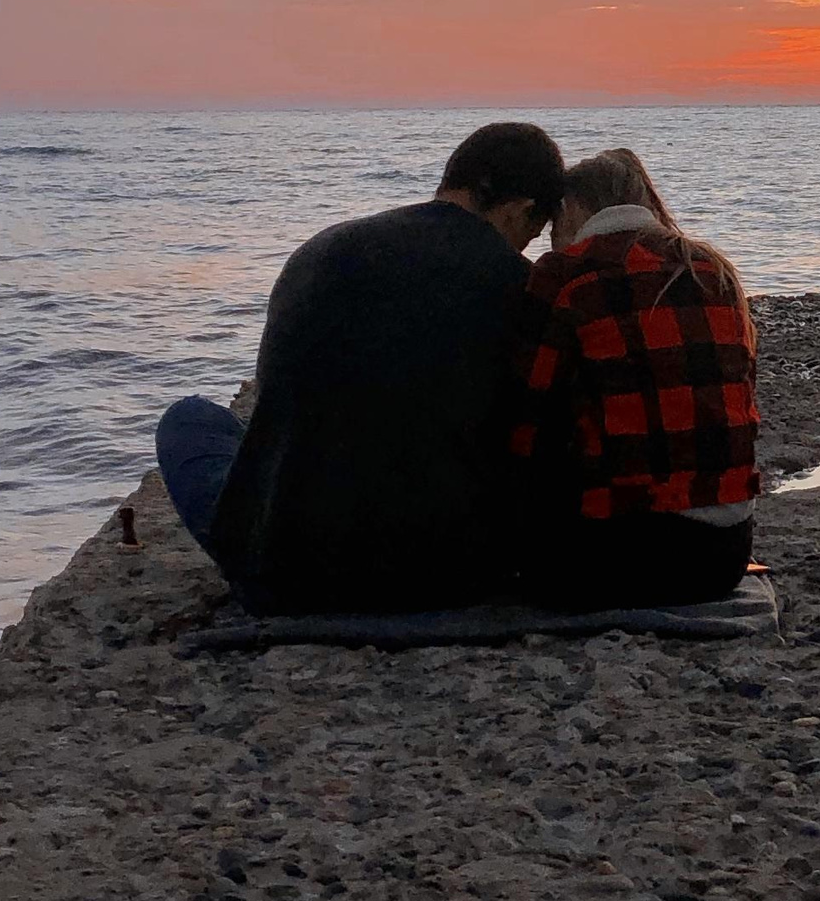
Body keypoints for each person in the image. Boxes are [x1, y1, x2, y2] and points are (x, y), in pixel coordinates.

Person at [153, 120, 566, 616]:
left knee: (190, 418)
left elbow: (278, 400)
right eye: (531, 233)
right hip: (452, 575)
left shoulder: (323, 249)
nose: (524, 248)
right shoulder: (520, 284)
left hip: (284, 572)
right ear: (521, 209)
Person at [505, 147, 760, 613]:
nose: (550, 239)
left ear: (569, 211)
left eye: (551, 227)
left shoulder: (565, 274)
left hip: (618, 559)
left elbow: (528, 426)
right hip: (724, 557)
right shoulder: (713, 269)